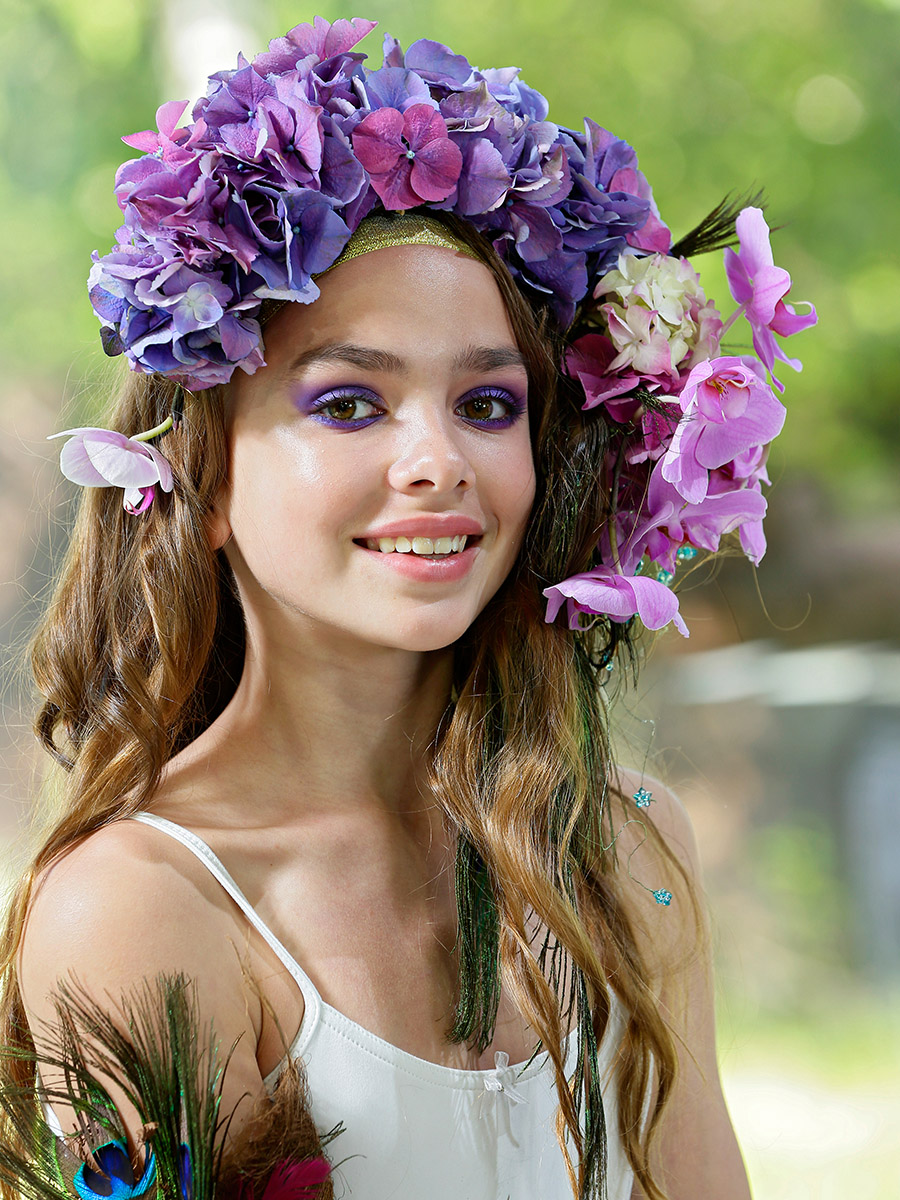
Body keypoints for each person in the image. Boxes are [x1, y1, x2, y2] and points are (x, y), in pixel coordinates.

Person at [0, 16, 815, 1200]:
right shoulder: (140, 909)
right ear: (203, 482)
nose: (437, 461)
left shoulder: (627, 847)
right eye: (347, 405)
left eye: (487, 405)